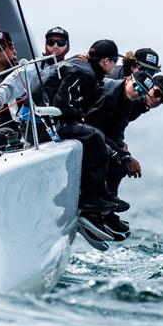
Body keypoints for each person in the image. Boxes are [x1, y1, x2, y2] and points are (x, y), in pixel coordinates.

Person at [30, 39, 125, 214]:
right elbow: (62, 104)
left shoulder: (83, 66)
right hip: (42, 127)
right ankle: (90, 198)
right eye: (114, 61)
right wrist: (79, 116)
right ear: (106, 61)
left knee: (99, 138)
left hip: (45, 121)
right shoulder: (84, 73)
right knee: (95, 138)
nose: (115, 66)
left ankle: (103, 193)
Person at [81, 70, 156, 239]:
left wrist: (124, 154)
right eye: (136, 86)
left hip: (96, 133)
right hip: (82, 129)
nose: (138, 92)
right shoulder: (109, 93)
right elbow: (91, 125)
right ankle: (92, 209)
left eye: (143, 91)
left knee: (121, 164)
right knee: (107, 155)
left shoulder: (129, 100)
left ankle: (106, 211)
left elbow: (117, 130)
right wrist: (118, 152)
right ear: (129, 78)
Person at [0, 26, 72, 142]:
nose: (55, 46)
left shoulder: (71, 67)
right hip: (38, 127)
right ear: (46, 45)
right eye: (51, 42)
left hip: (66, 122)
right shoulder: (34, 67)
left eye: (60, 43)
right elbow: (11, 84)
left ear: (67, 47)